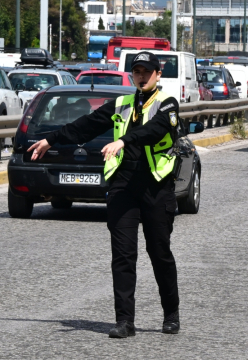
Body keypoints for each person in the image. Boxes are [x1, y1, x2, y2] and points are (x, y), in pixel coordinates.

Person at [27, 51, 182, 338]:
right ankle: (125, 321)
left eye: (148, 71)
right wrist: (51, 139)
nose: (142, 76)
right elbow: (86, 125)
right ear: (132, 75)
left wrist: (123, 140)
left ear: (158, 75)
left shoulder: (168, 105)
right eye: (137, 71)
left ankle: (171, 313)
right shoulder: (122, 104)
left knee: (159, 252)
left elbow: (153, 131)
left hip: (156, 186)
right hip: (123, 186)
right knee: (123, 255)